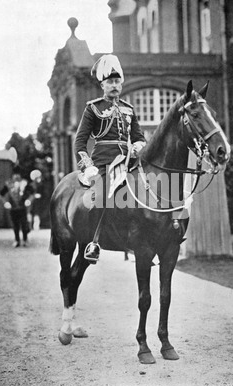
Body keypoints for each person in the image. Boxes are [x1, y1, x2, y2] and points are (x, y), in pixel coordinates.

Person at [75, 54, 146, 263]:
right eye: (110, 82)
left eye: (117, 81)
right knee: (104, 192)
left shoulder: (129, 109)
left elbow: (139, 137)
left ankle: (142, 240)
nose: (114, 86)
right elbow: (79, 142)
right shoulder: (93, 108)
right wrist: (88, 166)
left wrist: (138, 146)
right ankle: (94, 242)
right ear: (102, 85)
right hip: (104, 162)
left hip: (129, 162)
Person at [0, 166, 34, 248]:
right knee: (15, 225)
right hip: (13, 208)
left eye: (18, 174)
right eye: (15, 174)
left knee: (24, 224)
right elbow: (1, 194)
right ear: (12, 175)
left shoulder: (25, 183)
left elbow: (32, 193)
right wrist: (5, 202)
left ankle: (25, 240)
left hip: (22, 207)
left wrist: (29, 200)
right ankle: (17, 240)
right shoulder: (8, 184)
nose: (16, 176)